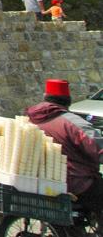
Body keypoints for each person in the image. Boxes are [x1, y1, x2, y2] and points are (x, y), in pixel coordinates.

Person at [25, 79, 103, 226]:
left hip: (42, 178)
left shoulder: (31, 118)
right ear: (68, 100)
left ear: (45, 96)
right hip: (74, 181)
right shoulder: (72, 122)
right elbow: (97, 147)